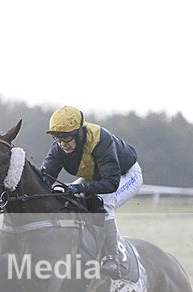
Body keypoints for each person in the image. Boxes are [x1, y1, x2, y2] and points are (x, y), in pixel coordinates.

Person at [40, 105, 142, 279]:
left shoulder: (101, 141)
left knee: (104, 202)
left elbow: (110, 183)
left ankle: (113, 258)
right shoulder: (58, 148)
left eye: (67, 139)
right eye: (58, 139)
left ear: (79, 133)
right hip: (94, 175)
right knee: (67, 198)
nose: (63, 144)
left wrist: (77, 188)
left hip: (126, 175)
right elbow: (45, 178)